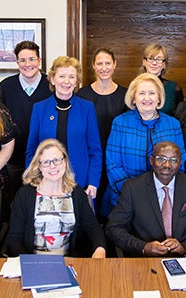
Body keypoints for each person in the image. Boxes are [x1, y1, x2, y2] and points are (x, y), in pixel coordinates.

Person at [106, 141, 186, 257]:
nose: (167, 165)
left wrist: (185, 246)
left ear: (180, 163)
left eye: (173, 160)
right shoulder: (133, 188)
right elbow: (113, 228)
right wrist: (143, 247)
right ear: (151, 160)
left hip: (185, 259)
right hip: (146, 260)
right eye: (161, 159)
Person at [102, 73, 186, 217]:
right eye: (141, 93)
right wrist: (136, 194)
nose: (147, 98)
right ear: (133, 98)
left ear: (159, 97)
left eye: (152, 93)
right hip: (125, 199)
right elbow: (113, 164)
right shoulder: (120, 123)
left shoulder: (173, 124)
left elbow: (180, 161)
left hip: (163, 200)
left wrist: (161, 190)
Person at [8, 139, 106, 257]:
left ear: (65, 162)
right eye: (46, 162)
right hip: (33, 263)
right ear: (39, 166)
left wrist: (100, 249)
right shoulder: (25, 194)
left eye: (57, 160)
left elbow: (93, 228)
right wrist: (29, 263)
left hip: (69, 263)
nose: (53, 166)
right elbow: (14, 239)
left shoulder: (77, 193)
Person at [26, 56, 102, 205]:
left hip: (81, 181)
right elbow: (32, 150)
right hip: (45, 181)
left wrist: (93, 182)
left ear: (76, 80)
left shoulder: (87, 108)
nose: (66, 81)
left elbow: (95, 150)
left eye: (71, 77)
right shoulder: (39, 108)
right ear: (53, 79)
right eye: (61, 76)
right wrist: (33, 179)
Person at [76, 48, 129, 218]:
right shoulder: (82, 94)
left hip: (117, 160)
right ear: (93, 66)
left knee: (115, 205)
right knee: (92, 204)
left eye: (108, 63)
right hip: (90, 158)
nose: (104, 67)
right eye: (99, 63)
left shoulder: (126, 95)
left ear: (115, 65)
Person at [0, 41, 53, 204]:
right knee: (15, 204)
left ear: (39, 61)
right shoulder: (5, 87)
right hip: (13, 160)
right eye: (22, 60)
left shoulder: (51, 85)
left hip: (46, 159)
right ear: (17, 62)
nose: (27, 64)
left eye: (32, 59)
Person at [139, 43, 183, 115]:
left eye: (159, 59)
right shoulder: (135, 86)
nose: (154, 63)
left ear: (164, 65)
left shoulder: (175, 89)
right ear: (144, 62)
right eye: (150, 58)